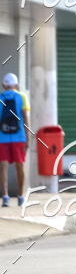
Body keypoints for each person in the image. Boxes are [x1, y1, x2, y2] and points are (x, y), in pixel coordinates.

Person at [0, 72, 30, 208]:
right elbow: (26, 118)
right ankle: (21, 196)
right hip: (19, 137)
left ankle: (5, 197)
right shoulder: (22, 97)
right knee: (20, 166)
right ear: (16, 85)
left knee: (3, 167)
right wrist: (28, 137)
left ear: (3, 85)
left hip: (2, 137)